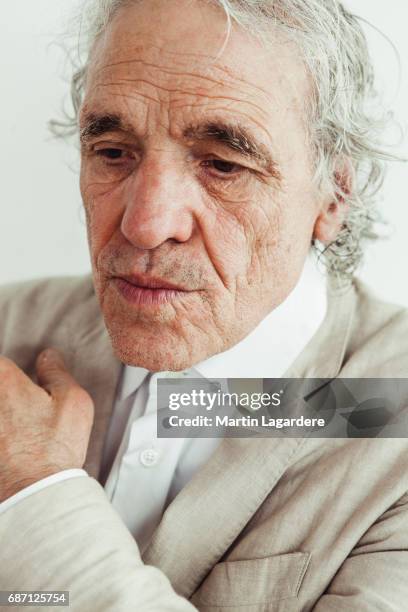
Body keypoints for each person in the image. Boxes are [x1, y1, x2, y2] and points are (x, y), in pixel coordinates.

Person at [1, 0, 407, 610]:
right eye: (113, 152)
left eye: (223, 164)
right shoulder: (10, 330)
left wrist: (34, 492)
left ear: (333, 196)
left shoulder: (392, 411)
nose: (144, 224)